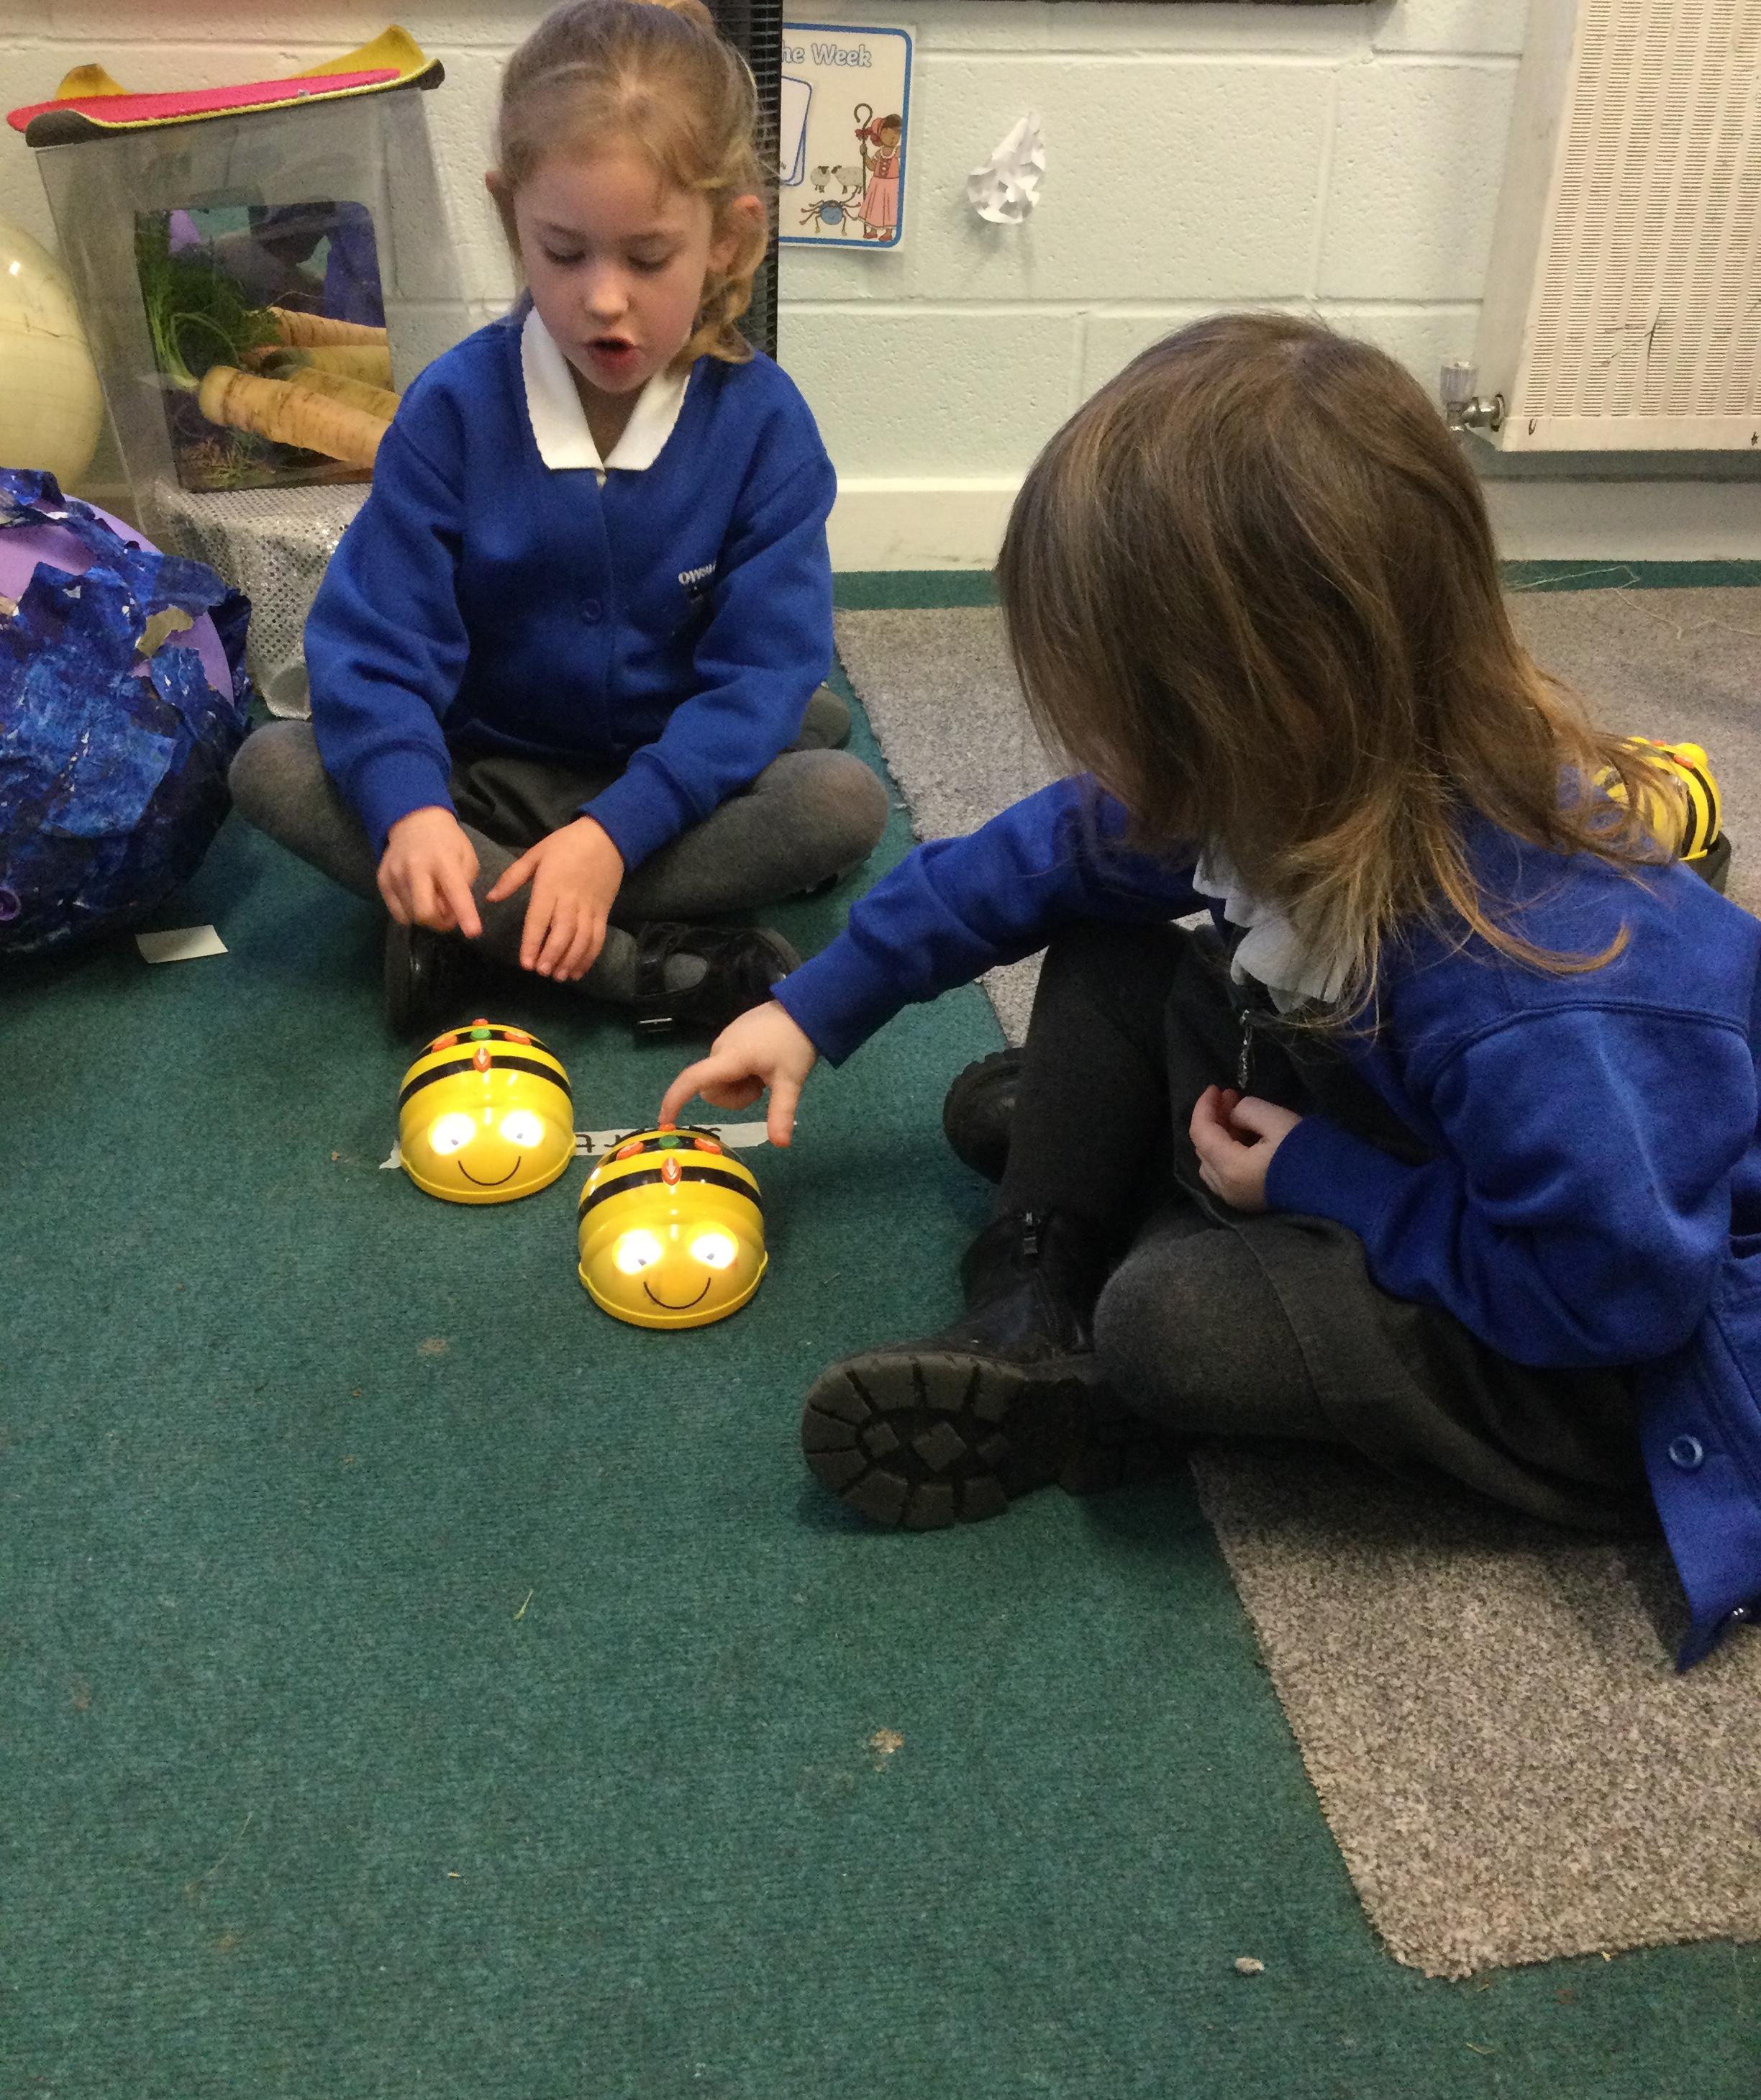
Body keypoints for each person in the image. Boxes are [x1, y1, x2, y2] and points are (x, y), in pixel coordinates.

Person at [662, 314, 1761, 1671]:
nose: (1091, 747)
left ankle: (1102, 1336)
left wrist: (1320, 1180)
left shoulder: (1539, 1002)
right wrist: (814, 1006)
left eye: (1115, 714)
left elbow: (1611, 1298)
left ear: (1257, 717)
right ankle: (1028, 1292)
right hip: (1442, 1133)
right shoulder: (1296, 784)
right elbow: (1053, 851)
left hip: (1604, 1341)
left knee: (1172, 1322)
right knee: (1107, 944)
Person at [232, 0, 888, 1037]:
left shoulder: (765, 427)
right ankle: (633, 967)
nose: (602, 298)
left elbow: (761, 673)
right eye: (563, 252)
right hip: (483, 773)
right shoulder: (452, 409)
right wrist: (412, 812)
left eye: (648, 257)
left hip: (658, 789)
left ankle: (480, 929)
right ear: (511, 218)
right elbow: (375, 649)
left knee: (838, 794)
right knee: (275, 764)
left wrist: (614, 834)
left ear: (728, 239)